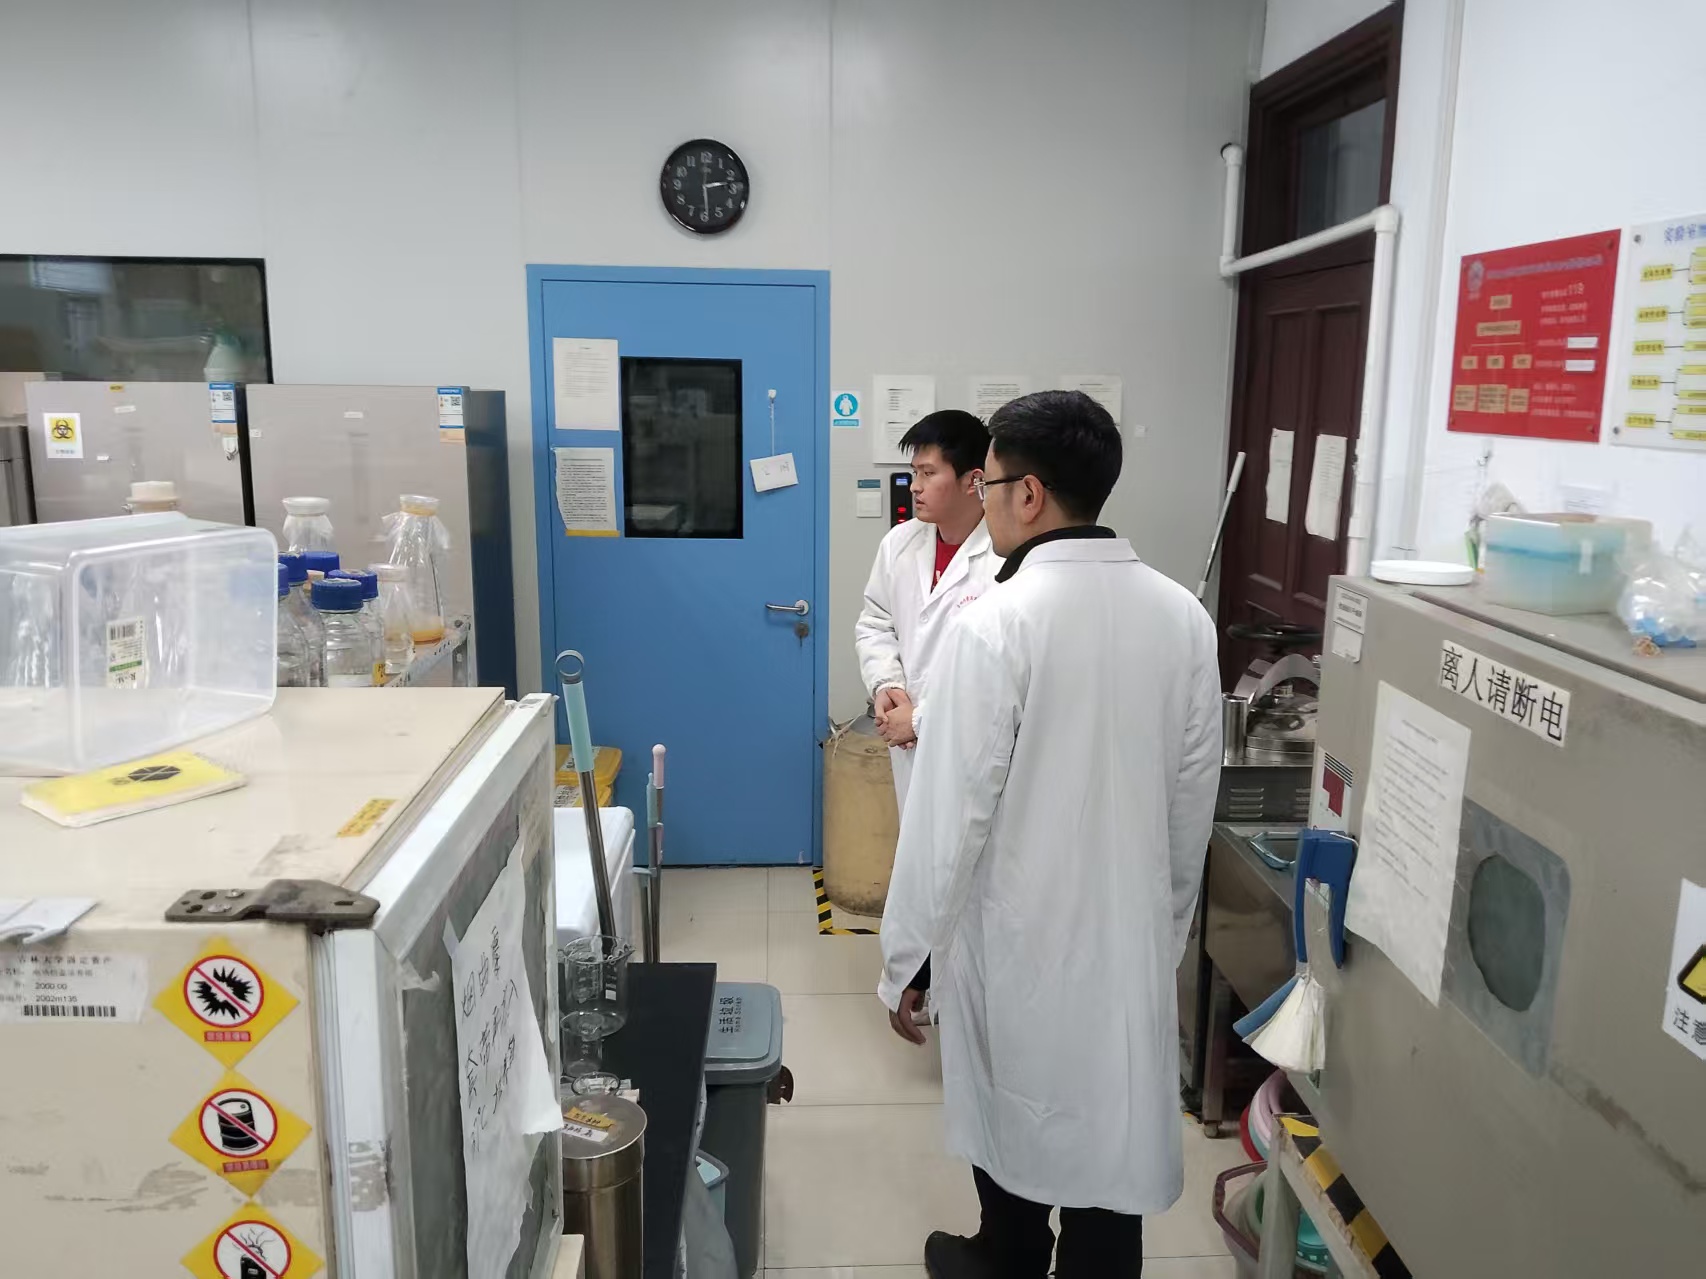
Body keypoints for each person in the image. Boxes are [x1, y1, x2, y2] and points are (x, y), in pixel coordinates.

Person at [877, 390, 1223, 1279]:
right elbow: (1193, 803)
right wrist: (1162, 930)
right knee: (1110, 1127)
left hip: (1018, 938)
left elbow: (948, 819)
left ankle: (1009, 1254)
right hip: (1128, 936)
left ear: (1028, 495)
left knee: (1017, 1104)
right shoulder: (1183, 616)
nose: (983, 503)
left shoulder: (999, 622)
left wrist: (909, 956)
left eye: (987, 485)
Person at [855, 409, 1003, 812]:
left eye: (928, 473)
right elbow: (876, 622)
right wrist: (887, 685)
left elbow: (1001, 672)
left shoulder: (1003, 557)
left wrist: (923, 718)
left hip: (973, 745)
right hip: (905, 736)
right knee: (917, 835)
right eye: (914, 473)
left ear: (973, 480)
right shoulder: (900, 543)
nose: (915, 486)